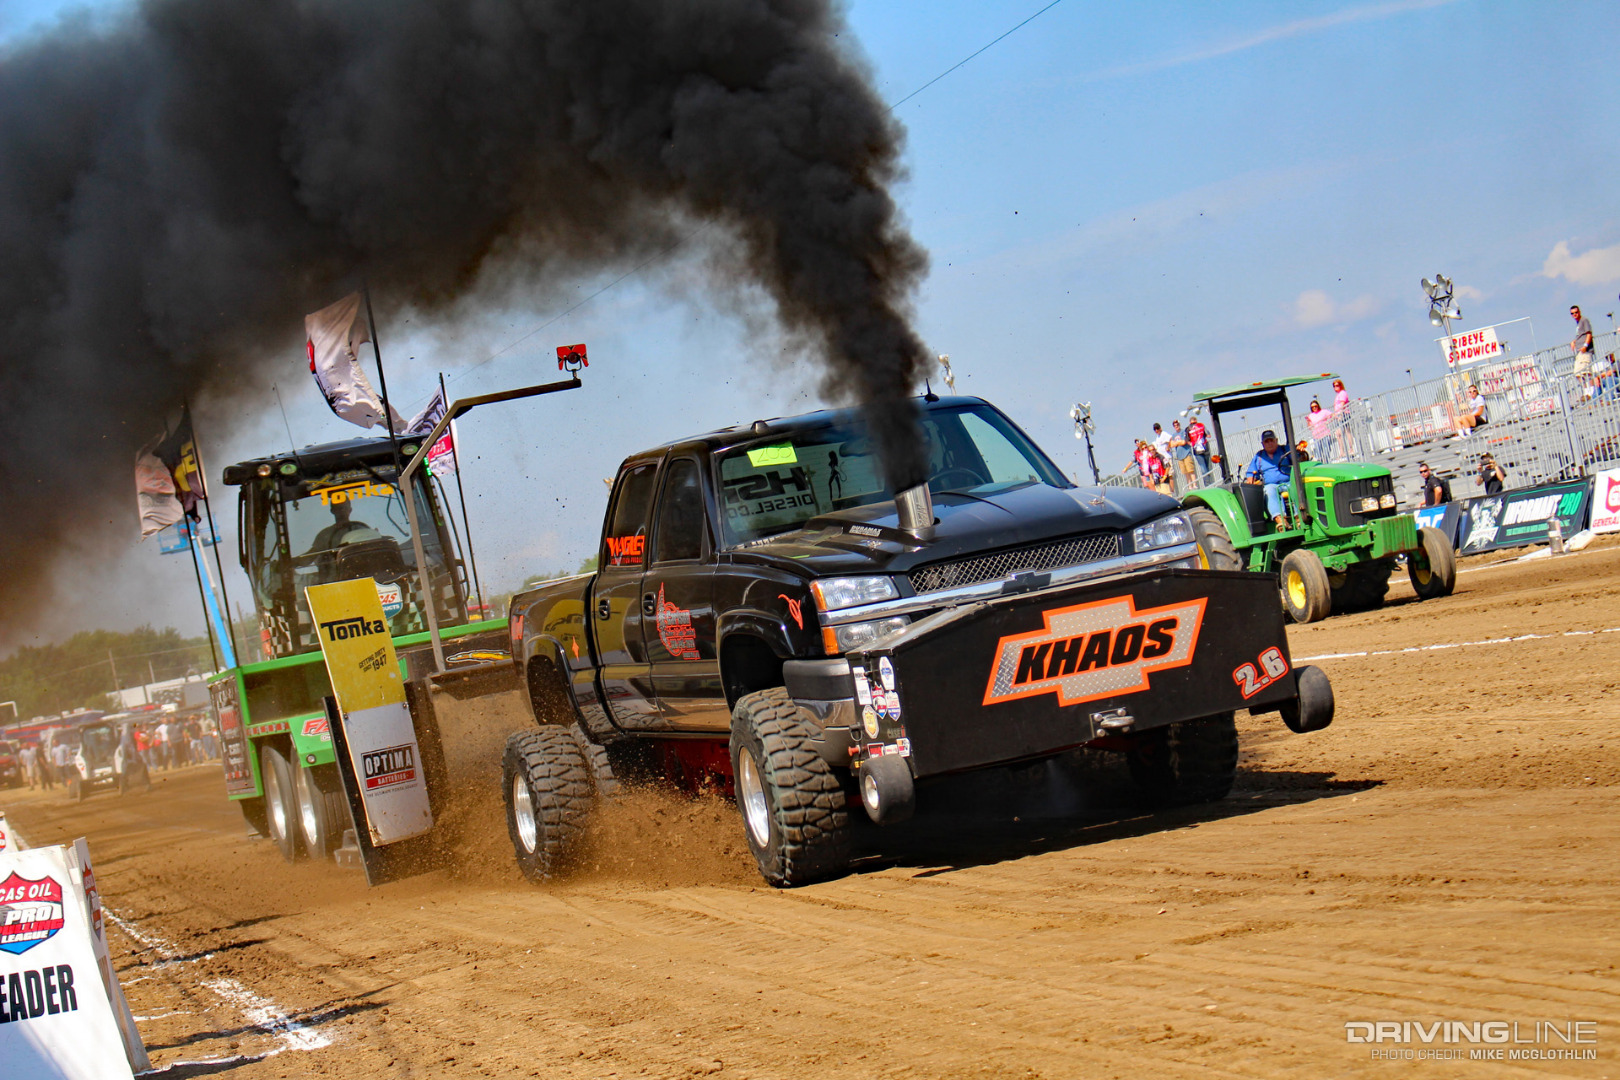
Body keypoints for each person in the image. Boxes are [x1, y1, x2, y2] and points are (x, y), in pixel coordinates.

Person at [1245, 429, 1296, 529]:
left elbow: (1299, 456)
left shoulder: (1286, 450)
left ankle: (1299, 517)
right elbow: (1251, 472)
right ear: (1262, 444)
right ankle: (1280, 519)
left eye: (1271, 440)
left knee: (1297, 486)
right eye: (1266, 441)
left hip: (1289, 482)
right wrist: (1250, 478)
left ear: (1276, 440)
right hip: (1272, 485)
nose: (1270, 443)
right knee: (1268, 490)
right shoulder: (1259, 457)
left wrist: (1300, 451)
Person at [308, 499, 383, 552]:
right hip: (334, 574)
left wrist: (376, 537)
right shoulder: (324, 535)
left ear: (350, 510)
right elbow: (310, 557)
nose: (342, 510)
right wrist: (296, 562)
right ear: (332, 511)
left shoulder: (362, 529)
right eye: (339, 508)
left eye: (344, 508)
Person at [1571, 305, 1596, 395]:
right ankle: (1586, 392)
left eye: (1576, 312)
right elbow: (1581, 335)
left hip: (1585, 351)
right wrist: (1574, 341)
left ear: (1579, 312)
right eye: (1572, 313)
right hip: (1579, 351)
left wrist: (1585, 346)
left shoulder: (1584, 320)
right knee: (1578, 373)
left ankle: (1592, 392)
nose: (1575, 315)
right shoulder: (1578, 323)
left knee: (1586, 372)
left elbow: (1588, 334)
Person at [1169, 420, 1196, 491]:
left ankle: (1194, 485)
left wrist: (1176, 443)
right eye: (1174, 425)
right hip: (1179, 456)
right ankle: (1190, 486)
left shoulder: (1183, 432)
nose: (1176, 426)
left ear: (1179, 424)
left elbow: (1184, 442)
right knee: (1185, 472)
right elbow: (1171, 445)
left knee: (1190, 470)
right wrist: (1178, 442)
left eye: (1177, 425)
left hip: (1186, 453)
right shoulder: (1173, 435)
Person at [1186, 415, 1211, 482]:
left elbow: (1208, 435)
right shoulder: (1188, 429)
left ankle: (1211, 482)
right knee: (1203, 468)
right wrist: (1192, 443)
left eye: (1195, 423)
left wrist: (1200, 434)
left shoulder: (1201, 426)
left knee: (1208, 467)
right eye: (1192, 423)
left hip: (1205, 449)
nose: (1194, 425)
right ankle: (1207, 484)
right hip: (1197, 451)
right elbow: (1187, 440)